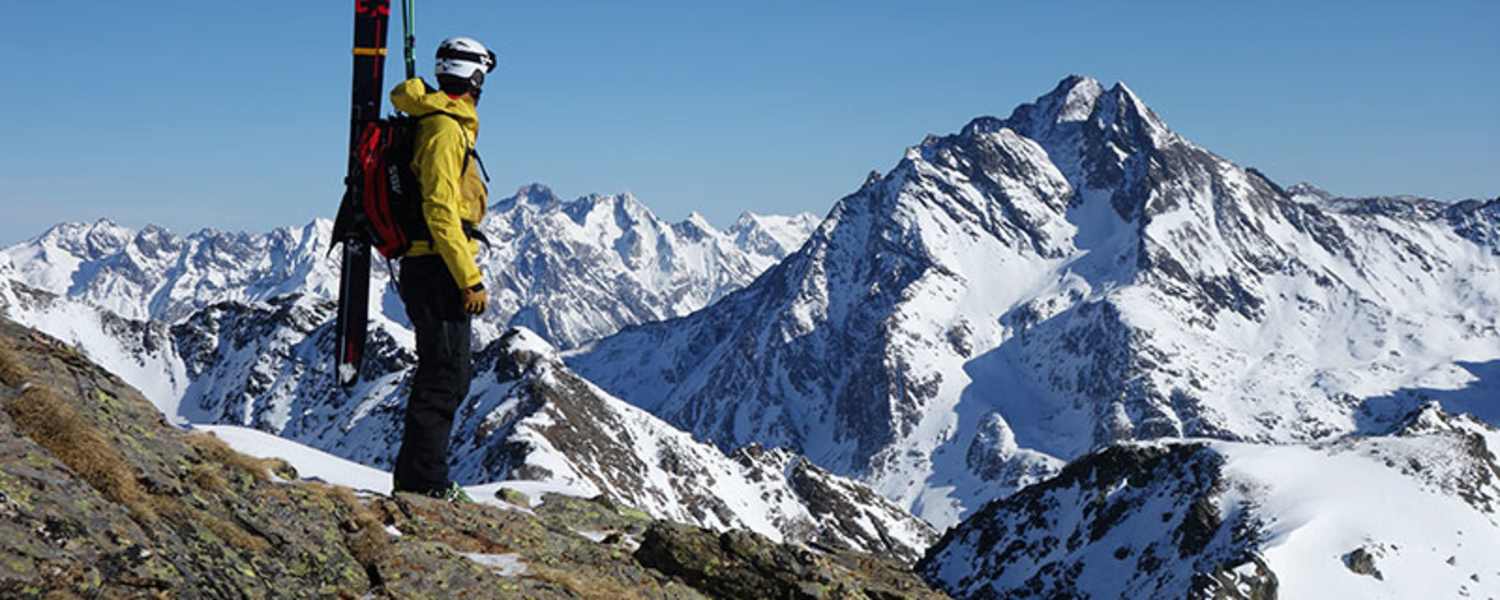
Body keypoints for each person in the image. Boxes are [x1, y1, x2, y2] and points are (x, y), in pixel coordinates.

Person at [388, 36, 496, 502]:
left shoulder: (439, 122)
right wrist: (468, 276)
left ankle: (423, 479)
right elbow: (440, 210)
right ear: (473, 77)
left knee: (450, 372)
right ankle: (424, 485)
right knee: (444, 374)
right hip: (436, 265)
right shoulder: (445, 130)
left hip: (430, 261)